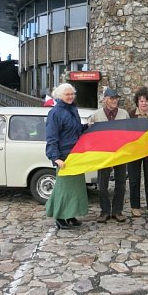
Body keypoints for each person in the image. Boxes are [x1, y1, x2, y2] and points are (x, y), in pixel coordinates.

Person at [45, 83, 89, 230]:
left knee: (74, 189)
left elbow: (75, 131)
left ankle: (70, 214)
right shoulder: (55, 113)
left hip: (75, 154)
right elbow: (52, 137)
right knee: (63, 188)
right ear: (59, 96)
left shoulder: (73, 109)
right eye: (67, 94)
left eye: (72, 94)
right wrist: (55, 158)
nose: (70, 97)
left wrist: (88, 127)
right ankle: (60, 216)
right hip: (64, 157)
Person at [89, 88, 130, 223]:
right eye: (112, 98)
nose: (115, 101)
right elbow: (90, 134)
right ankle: (105, 211)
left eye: (116, 98)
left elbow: (130, 133)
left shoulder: (124, 114)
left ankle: (117, 211)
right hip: (103, 154)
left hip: (120, 154)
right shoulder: (96, 115)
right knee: (102, 184)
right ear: (105, 99)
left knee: (121, 184)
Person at [128, 87, 148, 219]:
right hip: (134, 152)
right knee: (134, 180)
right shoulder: (130, 115)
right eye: (141, 101)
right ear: (137, 102)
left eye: (146, 101)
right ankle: (135, 207)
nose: (144, 103)